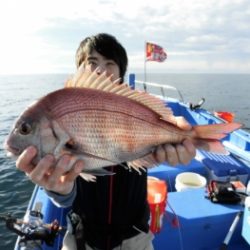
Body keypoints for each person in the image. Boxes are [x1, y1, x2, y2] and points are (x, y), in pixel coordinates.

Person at [16, 33, 196, 250]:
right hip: (82, 239)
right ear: (79, 71)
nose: (100, 70)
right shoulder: (60, 113)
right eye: (91, 63)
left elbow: (158, 145)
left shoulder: (135, 109)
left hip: (135, 238)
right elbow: (66, 197)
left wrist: (175, 137)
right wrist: (59, 191)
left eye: (109, 63)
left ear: (121, 74)